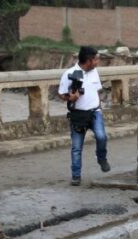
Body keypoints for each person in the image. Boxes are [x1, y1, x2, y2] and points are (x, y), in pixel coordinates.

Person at [58, 46, 109, 186]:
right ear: (88, 60)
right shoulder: (69, 73)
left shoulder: (94, 72)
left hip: (95, 112)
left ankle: (101, 158)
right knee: (76, 147)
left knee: (101, 136)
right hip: (78, 115)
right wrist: (71, 98)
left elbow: (97, 90)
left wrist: (99, 104)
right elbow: (61, 93)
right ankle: (76, 176)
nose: (98, 62)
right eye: (96, 59)